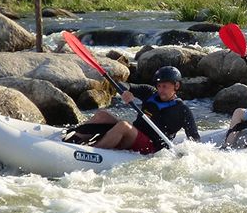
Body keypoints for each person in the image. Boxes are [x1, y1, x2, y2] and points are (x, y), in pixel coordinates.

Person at [67, 66, 200, 154]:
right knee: (103, 115)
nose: (160, 90)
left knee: (123, 126)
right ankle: (72, 140)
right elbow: (123, 85)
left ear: (176, 86)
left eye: (164, 86)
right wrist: (125, 91)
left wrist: (185, 154)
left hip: (152, 147)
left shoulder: (182, 110)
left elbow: (195, 141)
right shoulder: (149, 92)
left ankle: (89, 153)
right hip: (135, 135)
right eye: (159, 86)